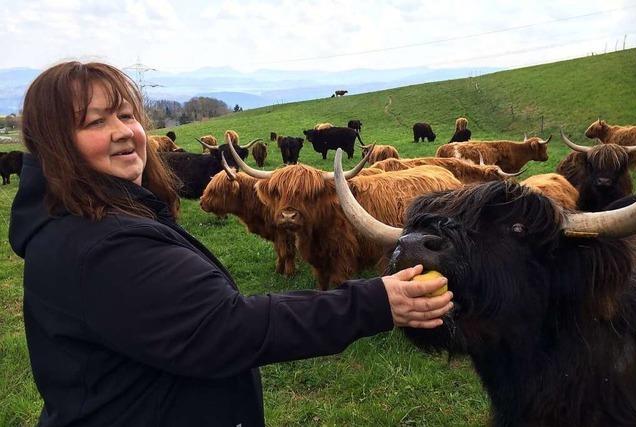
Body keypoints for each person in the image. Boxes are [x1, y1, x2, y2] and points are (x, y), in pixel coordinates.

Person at [9, 61, 454, 427]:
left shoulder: (94, 217)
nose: (124, 131)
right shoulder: (100, 246)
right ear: (54, 144)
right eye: (95, 122)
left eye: (127, 116)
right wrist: (375, 302)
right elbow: (223, 327)